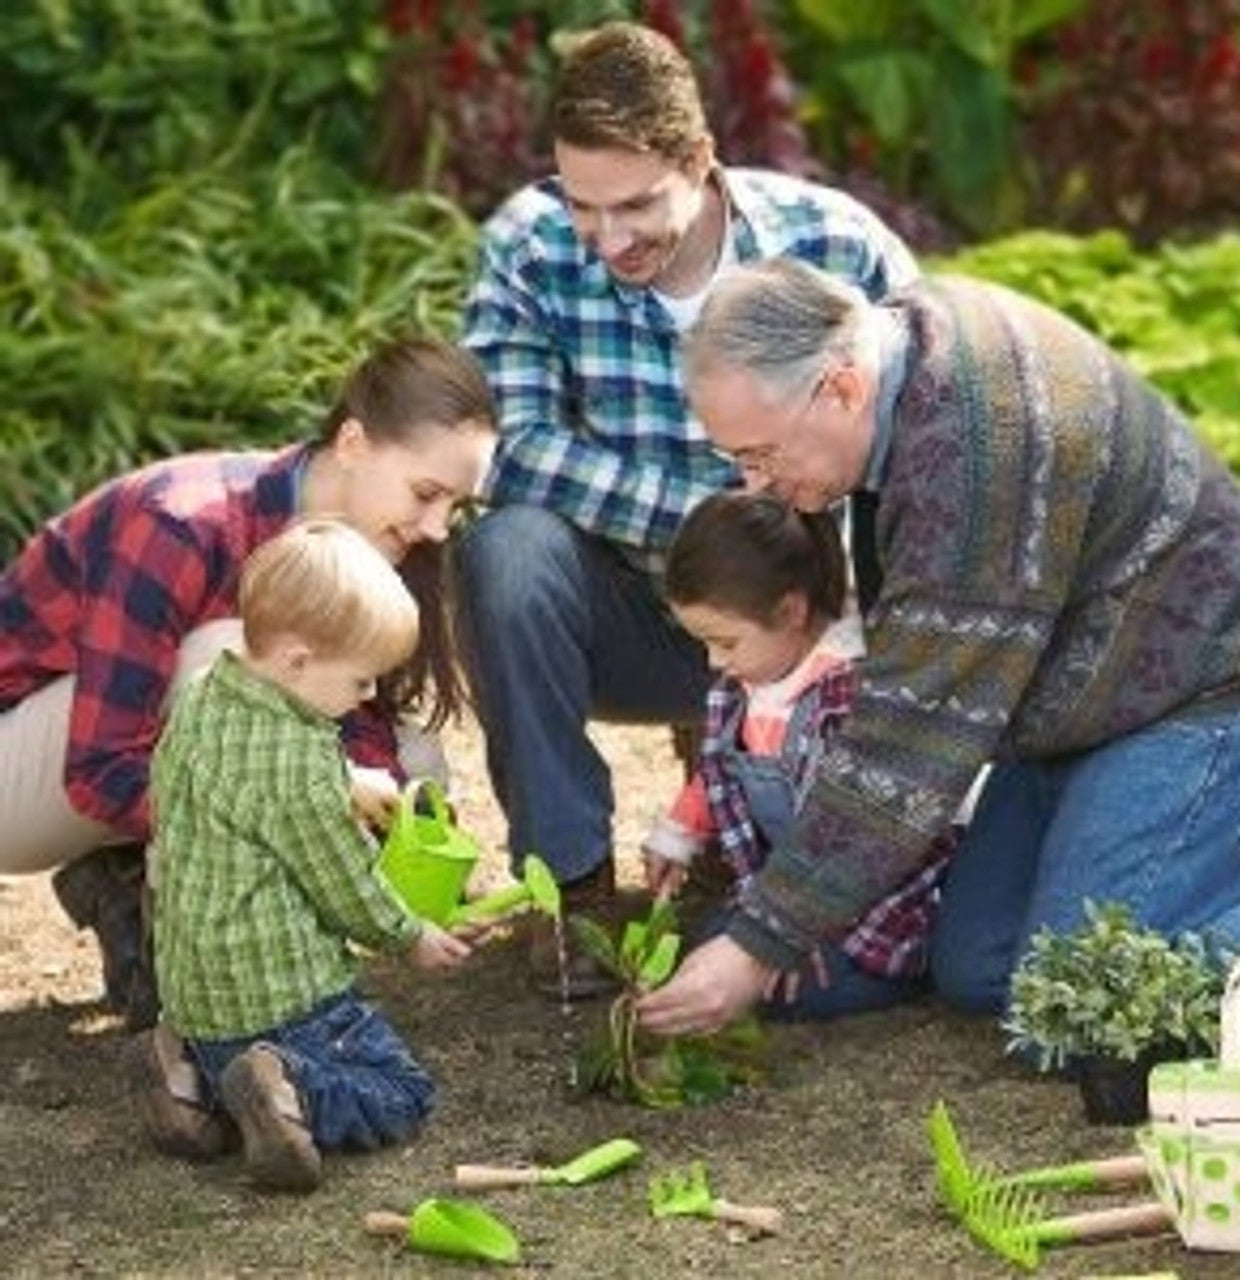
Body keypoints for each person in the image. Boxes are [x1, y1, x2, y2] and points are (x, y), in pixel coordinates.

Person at [636, 256, 1240, 1038]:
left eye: (763, 454)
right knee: (977, 970)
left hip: (1215, 687)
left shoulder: (975, 449)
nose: (754, 484)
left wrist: (760, 939)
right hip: (1086, 706)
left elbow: (911, 733)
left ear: (839, 387)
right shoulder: (903, 351)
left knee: (1077, 1001)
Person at [455, 20, 919, 994]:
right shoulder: (532, 249)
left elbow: (925, 427)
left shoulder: (831, 244)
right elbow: (513, 449)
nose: (609, 238)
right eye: (585, 206)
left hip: (808, 628)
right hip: (628, 614)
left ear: (700, 161)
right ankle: (568, 885)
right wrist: (715, 522)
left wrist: (794, 563)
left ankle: (762, 855)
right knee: (504, 550)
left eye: (634, 206)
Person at [0, 338, 495, 1029]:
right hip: (22, 765)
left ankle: (130, 886)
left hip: (138, 759)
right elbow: (99, 766)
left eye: (457, 507)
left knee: (413, 764)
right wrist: (304, 803)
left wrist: (413, 882)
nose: (438, 528)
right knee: (235, 656)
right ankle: (207, 1012)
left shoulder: (360, 553)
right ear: (352, 441)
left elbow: (356, 733)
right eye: (427, 494)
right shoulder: (180, 522)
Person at [134, 518, 473, 1192]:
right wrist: (409, 936)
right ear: (297, 660)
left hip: (198, 998)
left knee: (228, 1057)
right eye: (360, 682)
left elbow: (239, 784)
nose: (368, 696)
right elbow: (342, 882)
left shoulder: (203, 694)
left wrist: (346, 778)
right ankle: (291, 1086)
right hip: (286, 1007)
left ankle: (185, 1075)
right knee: (402, 1091)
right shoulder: (300, 766)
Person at [643, 491, 951, 1020]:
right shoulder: (749, 681)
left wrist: (788, 934)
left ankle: (900, 969)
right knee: (701, 947)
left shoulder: (849, 695)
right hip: (790, 888)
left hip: (873, 900)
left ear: (790, 610)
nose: (715, 661)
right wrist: (681, 832)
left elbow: (861, 838)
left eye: (725, 642)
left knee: (791, 993)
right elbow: (719, 766)